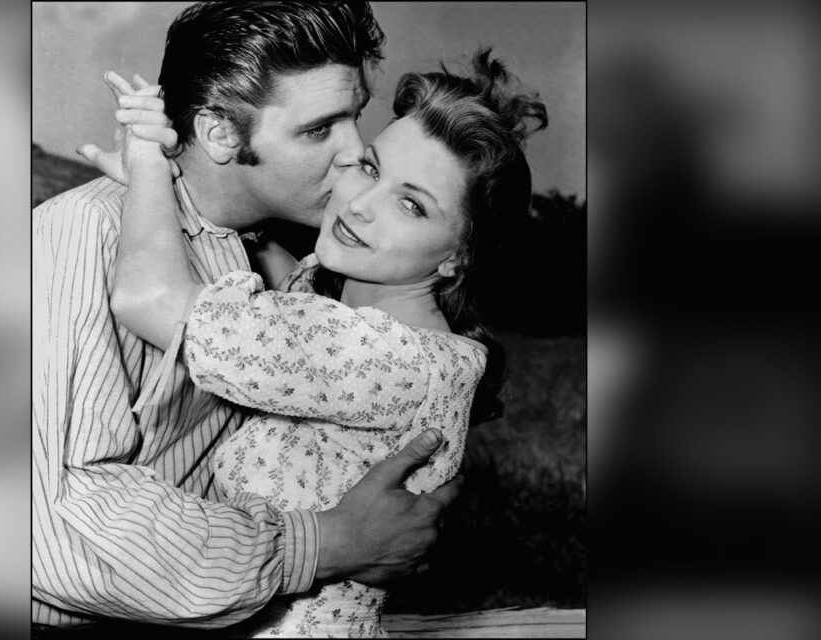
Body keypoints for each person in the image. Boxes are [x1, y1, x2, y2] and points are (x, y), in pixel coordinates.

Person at [32, 1, 462, 631]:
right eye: (319, 129)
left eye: (355, 119)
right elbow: (46, 521)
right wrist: (323, 542)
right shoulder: (84, 232)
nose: (354, 152)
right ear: (220, 134)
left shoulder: (268, 255)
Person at [106, 46, 547, 636]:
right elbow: (281, 272)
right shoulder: (347, 303)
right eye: (370, 168)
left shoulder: (387, 357)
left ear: (457, 257)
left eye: (411, 204)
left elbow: (146, 299)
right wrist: (173, 193)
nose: (360, 206)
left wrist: (146, 164)